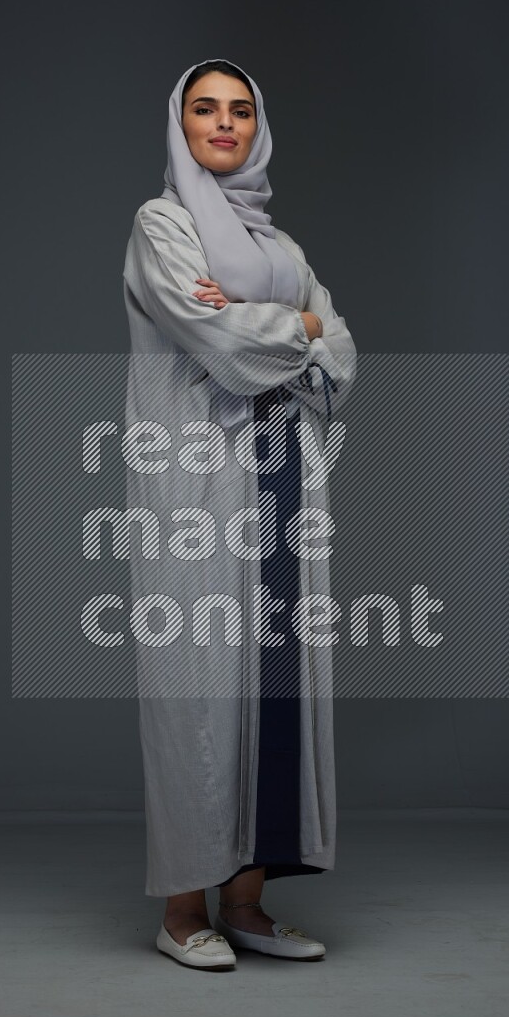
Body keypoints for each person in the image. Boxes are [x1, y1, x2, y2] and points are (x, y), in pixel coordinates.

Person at [122, 58, 357, 969]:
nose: (223, 123)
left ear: (258, 128)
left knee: (276, 686)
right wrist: (291, 327)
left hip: (285, 478)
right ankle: (184, 910)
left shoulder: (283, 248)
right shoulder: (162, 225)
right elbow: (217, 342)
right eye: (203, 109)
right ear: (178, 125)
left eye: (239, 110)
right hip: (195, 482)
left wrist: (292, 328)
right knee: (197, 686)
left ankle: (249, 904)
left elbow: (343, 355)